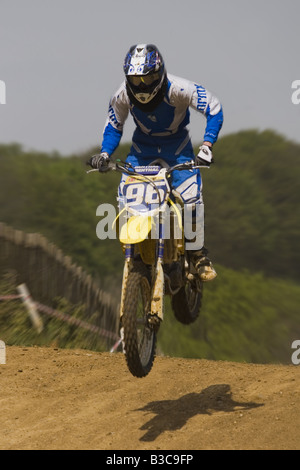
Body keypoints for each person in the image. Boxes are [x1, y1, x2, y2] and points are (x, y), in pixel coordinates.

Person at [88, 44, 223, 281]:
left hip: (178, 149)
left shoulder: (181, 88)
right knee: (126, 199)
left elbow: (214, 107)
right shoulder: (122, 94)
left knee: (191, 200)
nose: (142, 86)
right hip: (142, 151)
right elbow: (113, 125)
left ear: (159, 74)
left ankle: (197, 253)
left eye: (148, 78)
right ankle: (138, 251)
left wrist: (207, 146)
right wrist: (105, 154)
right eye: (136, 80)